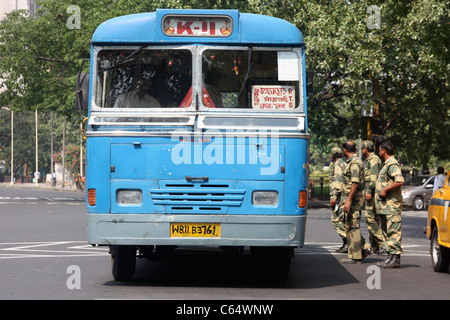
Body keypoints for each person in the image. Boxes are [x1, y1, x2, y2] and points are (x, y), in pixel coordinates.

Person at [340, 141, 371, 264]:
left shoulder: (354, 163)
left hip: (354, 201)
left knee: (353, 226)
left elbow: (355, 183)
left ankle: (356, 256)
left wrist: (348, 201)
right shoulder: (354, 162)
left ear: (345, 151)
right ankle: (363, 248)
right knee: (350, 226)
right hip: (352, 200)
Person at [375, 141, 405, 268]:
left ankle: (395, 259)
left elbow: (399, 181)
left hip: (391, 206)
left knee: (393, 232)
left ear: (383, 150)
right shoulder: (386, 164)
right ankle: (390, 257)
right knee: (387, 232)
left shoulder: (392, 163)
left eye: (380, 150)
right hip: (385, 207)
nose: (379, 152)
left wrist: (385, 190)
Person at [361, 140, 385, 254]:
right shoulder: (371, 160)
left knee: (369, 219)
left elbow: (373, 178)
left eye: (362, 149)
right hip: (373, 193)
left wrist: (369, 191)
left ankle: (383, 243)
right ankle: (375, 247)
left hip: (373, 193)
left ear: (365, 149)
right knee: (374, 219)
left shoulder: (373, 160)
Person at [329, 147, 348, 253]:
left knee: (336, 220)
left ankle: (348, 241)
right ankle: (346, 244)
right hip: (345, 197)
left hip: (341, 198)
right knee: (344, 221)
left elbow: (338, 183)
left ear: (333, 156)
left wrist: (334, 198)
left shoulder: (338, 165)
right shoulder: (344, 163)